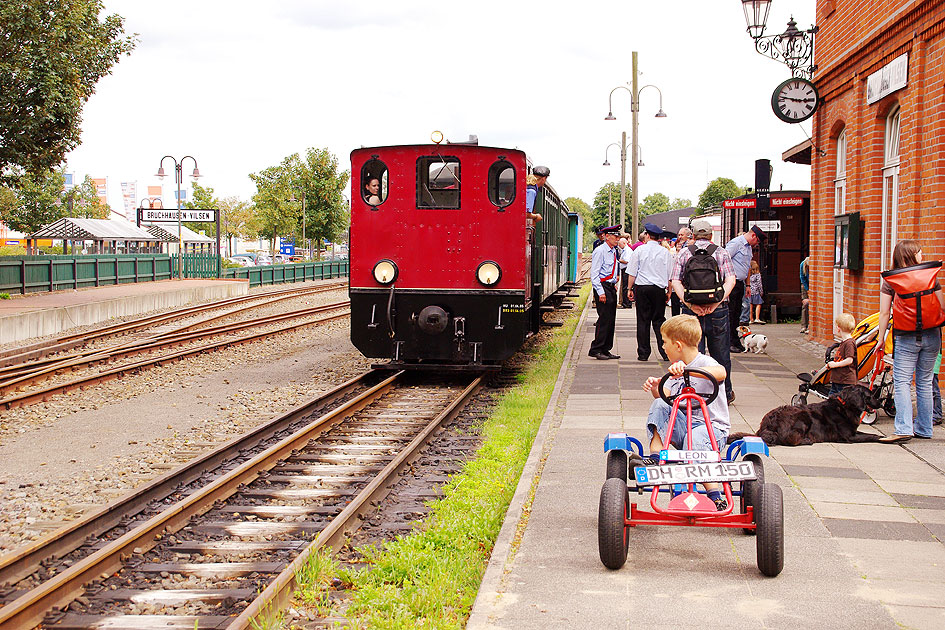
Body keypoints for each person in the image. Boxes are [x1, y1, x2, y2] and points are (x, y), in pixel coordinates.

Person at [642, 314, 731, 511]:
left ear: (678, 346)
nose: (663, 347)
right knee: (659, 405)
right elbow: (665, 397)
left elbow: (721, 373)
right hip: (684, 427)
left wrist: (689, 372)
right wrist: (656, 386)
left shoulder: (706, 362)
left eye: (665, 342)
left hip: (712, 430)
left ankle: (715, 495)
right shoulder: (675, 370)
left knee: (696, 437)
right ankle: (656, 458)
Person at [873, 239, 945, 443]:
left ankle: (904, 428)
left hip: (905, 336)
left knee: (903, 381)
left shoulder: (892, 280)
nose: (922, 255)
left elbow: (885, 312)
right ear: (911, 255)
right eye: (919, 252)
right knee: (924, 382)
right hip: (932, 335)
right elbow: (942, 306)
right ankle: (924, 427)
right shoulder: (930, 276)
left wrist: (880, 339)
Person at [671, 219, 737, 404]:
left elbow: (676, 281)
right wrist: (715, 304)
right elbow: (730, 280)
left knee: (691, 355)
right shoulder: (721, 252)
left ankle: (693, 393)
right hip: (718, 310)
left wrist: (691, 305)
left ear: (693, 235)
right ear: (710, 235)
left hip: (691, 312)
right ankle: (725, 393)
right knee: (721, 354)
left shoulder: (684, 252)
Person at [626, 222, 673, 361]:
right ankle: (664, 352)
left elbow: (632, 272)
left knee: (643, 320)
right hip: (658, 289)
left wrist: (629, 288)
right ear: (659, 238)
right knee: (659, 320)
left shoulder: (639, 251)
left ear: (647, 235)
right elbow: (669, 275)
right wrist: (669, 292)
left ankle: (643, 353)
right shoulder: (665, 252)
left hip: (642, 288)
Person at [725, 225, 767, 353]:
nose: (756, 244)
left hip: (740, 283)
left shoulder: (748, 247)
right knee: (731, 312)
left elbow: (747, 267)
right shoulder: (736, 243)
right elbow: (724, 261)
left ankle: (735, 340)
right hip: (732, 282)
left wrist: (748, 285)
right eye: (757, 241)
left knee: (737, 313)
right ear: (753, 235)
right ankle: (729, 341)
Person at [588, 225, 623, 360]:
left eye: (618, 236)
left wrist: (614, 283)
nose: (617, 239)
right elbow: (595, 274)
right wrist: (601, 292)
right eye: (615, 236)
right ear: (607, 236)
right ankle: (596, 349)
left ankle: (606, 348)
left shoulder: (613, 250)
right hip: (602, 287)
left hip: (610, 286)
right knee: (604, 319)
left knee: (610, 319)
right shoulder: (600, 251)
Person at [827, 313, 857, 396]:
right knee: (831, 400)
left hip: (845, 381)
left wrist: (835, 364)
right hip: (838, 379)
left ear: (838, 328)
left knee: (840, 402)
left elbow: (849, 360)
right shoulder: (844, 342)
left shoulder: (849, 343)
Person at [671, 227, 693, 316]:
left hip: (686, 281)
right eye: (679, 235)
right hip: (679, 279)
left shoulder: (689, 247)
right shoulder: (680, 245)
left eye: (682, 235)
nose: (679, 237)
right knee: (675, 304)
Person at [618, 236, 633, 308]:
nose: (619, 246)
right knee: (624, 286)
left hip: (626, 270)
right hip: (625, 270)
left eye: (620, 244)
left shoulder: (627, 251)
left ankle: (626, 303)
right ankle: (625, 302)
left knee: (625, 287)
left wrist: (619, 260)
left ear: (624, 243)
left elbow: (626, 261)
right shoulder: (625, 250)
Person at [748, 259, 765, 324]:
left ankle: (750, 319)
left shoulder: (749, 275)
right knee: (758, 304)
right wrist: (761, 291)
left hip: (749, 291)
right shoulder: (757, 275)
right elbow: (759, 284)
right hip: (756, 291)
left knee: (750, 305)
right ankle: (757, 318)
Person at [800, 256, 810, 334]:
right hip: (805, 285)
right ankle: (804, 325)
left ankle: (810, 325)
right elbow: (802, 278)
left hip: (813, 284)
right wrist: (807, 289)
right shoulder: (802, 264)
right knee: (805, 305)